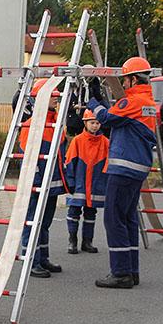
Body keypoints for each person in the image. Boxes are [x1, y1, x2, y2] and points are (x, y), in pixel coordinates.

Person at [87, 57, 157, 288]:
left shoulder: (134, 101)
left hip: (124, 166)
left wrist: (92, 101)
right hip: (136, 166)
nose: (123, 83)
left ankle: (120, 273)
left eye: (125, 79)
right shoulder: (146, 101)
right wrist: (102, 100)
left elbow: (107, 118)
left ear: (133, 79)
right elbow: (118, 116)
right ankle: (131, 270)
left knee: (113, 218)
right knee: (127, 218)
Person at [18, 78, 69, 278]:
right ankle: (31, 261)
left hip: (52, 182)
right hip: (37, 183)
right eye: (52, 94)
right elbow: (26, 154)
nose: (57, 97)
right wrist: (33, 181)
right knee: (32, 221)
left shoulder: (55, 121)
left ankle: (43, 257)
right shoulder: (33, 125)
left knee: (45, 222)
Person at [64, 109, 109, 255]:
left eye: (97, 123)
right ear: (85, 123)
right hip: (79, 184)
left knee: (91, 213)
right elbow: (70, 162)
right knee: (73, 212)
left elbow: (109, 164)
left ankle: (87, 242)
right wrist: (70, 181)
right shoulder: (78, 141)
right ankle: (72, 241)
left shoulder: (105, 142)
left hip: (96, 185)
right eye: (92, 123)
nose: (95, 126)